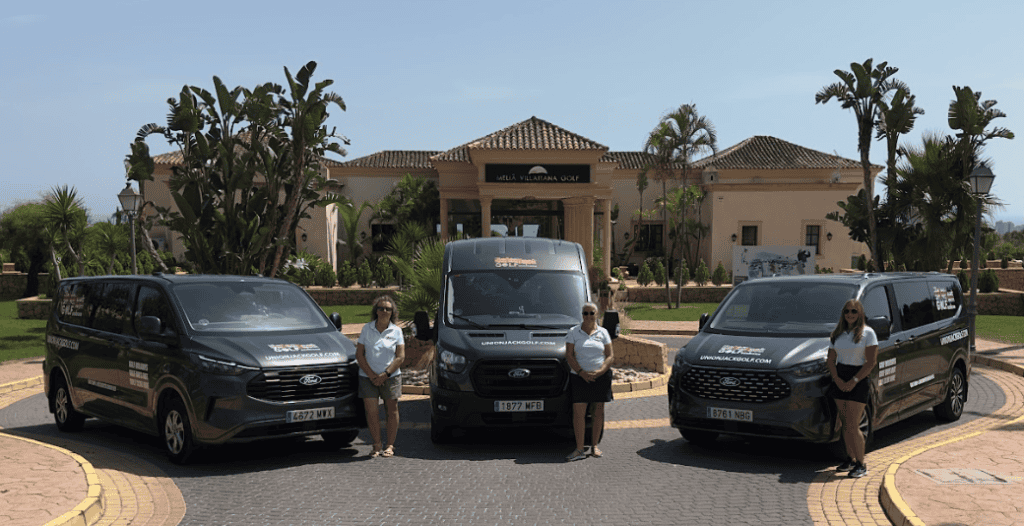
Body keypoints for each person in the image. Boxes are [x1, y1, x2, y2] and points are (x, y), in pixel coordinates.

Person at [826, 299, 878, 478]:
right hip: (840, 376)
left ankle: (861, 464)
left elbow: (871, 362)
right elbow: (831, 360)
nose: (850, 314)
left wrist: (854, 380)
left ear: (860, 313)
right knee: (845, 423)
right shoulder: (837, 334)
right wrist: (837, 380)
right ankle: (850, 459)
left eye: (854, 311)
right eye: (847, 311)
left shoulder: (868, 333)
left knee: (853, 425)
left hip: (859, 378)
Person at [356, 296, 405, 458]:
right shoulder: (366, 329)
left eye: (388, 309)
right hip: (367, 377)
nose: (384, 311)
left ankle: (390, 445)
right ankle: (376, 444)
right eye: (381, 308)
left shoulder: (397, 331)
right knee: (372, 412)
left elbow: (400, 357)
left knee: (392, 411)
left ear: (393, 312)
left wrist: (385, 374)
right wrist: (372, 375)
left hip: (390, 377)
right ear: (376, 311)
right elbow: (359, 354)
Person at [564, 302, 614, 461]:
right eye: (585, 313)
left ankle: (595, 447)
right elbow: (569, 355)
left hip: (600, 378)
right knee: (579, 413)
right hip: (579, 378)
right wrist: (581, 372)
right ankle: (579, 449)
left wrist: (600, 371)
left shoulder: (603, 332)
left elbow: (610, 355)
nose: (588, 316)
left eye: (591, 313)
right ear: (582, 315)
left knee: (598, 413)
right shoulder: (573, 332)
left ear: (597, 314)